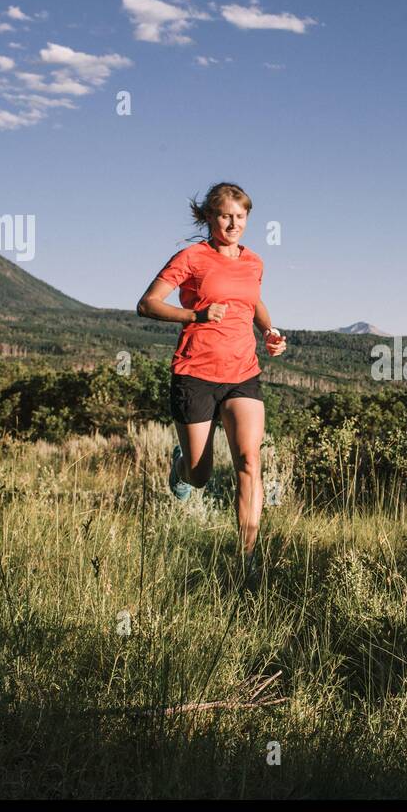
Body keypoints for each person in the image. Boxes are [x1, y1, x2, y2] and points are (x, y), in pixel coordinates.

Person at [136, 182, 287, 569]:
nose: (233, 223)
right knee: (201, 475)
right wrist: (195, 315)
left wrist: (268, 331)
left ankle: (247, 560)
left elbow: (253, 301)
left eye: (240, 216)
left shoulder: (254, 262)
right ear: (208, 217)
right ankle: (182, 466)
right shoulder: (192, 257)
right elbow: (147, 304)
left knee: (249, 462)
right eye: (225, 216)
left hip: (242, 373)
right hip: (195, 372)